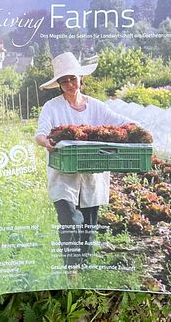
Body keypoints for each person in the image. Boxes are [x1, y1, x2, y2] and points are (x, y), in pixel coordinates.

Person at [34, 52, 132, 273]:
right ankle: (71, 269)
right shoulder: (52, 107)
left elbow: (120, 121)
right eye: (64, 80)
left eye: (72, 78)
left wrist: (136, 129)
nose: (69, 84)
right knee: (69, 220)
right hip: (63, 176)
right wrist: (46, 141)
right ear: (59, 84)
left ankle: (84, 269)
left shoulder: (96, 107)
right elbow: (40, 133)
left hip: (91, 177)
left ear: (80, 79)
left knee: (88, 226)